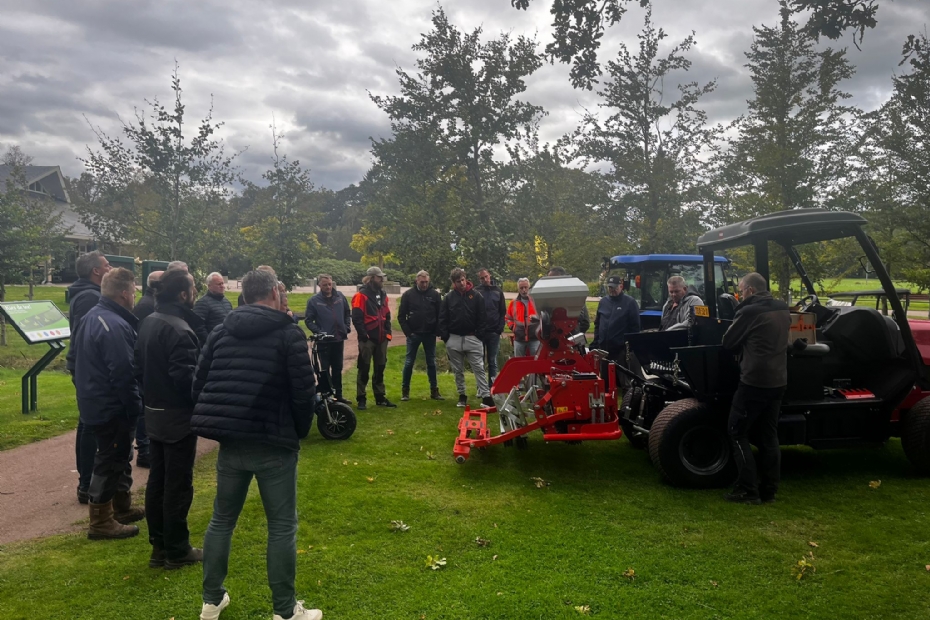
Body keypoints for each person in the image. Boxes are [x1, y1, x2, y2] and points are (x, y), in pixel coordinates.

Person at [192, 269, 321, 620]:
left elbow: (198, 383)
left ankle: (211, 599)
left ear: (245, 295)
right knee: (281, 525)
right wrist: (298, 431)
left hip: (232, 441)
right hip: (272, 442)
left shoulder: (221, 332)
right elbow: (303, 393)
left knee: (222, 519)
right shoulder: (288, 334)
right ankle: (284, 610)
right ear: (274, 294)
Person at [133, 269, 204, 569]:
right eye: (192, 287)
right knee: (177, 484)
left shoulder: (149, 321)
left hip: (155, 413)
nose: (196, 291)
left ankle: (160, 546)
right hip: (176, 417)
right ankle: (176, 548)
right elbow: (186, 381)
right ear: (183, 294)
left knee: (158, 482)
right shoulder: (179, 329)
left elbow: (138, 369)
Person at [72, 267, 146, 540]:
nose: (136, 295)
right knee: (109, 458)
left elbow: (73, 359)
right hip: (110, 404)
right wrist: (134, 406)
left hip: (95, 399)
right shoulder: (113, 324)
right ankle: (101, 521)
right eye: (135, 291)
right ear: (125, 294)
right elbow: (124, 372)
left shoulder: (93, 316)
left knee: (119, 455)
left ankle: (120, 506)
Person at [721, 272, 790, 505]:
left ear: (749, 290)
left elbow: (728, 342)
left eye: (741, 290)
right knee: (769, 437)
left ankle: (747, 490)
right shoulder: (782, 308)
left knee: (737, 432)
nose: (739, 294)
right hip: (778, 380)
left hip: (754, 381)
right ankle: (769, 490)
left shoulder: (749, 311)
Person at [66, 250, 111, 505]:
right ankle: (86, 484)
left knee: (88, 423)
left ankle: (87, 482)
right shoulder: (89, 298)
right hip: (88, 368)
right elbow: (89, 337)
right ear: (96, 271)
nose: (109, 268)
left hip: (84, 366)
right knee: (90, 424)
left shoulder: (87, 294)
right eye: (106, 265)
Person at [438, 268, 494, 409]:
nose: (462, 283)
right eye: (458, 281)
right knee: (458, 370)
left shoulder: (476, 296)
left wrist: (479, 336)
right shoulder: (449, 297)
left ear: (466, 278)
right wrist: (446, 337)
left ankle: (486, 396)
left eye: (463, 279)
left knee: (479, 368)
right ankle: (462, 396)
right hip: (454, 338)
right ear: (453, 283)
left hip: (473, 338)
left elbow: (482, 317)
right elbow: (443, 318)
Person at [352, 267, 396, 410]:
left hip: (382, 337)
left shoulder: (383, 294)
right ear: (371, 278)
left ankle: (380, 397)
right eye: (379, 277)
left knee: (380, 368)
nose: (382, 279)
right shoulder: (361, 295)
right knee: (364, 368)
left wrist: (388, 333)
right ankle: (361, 398)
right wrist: (364, 335)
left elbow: (387, 315)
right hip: (368, 339)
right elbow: (357, 318)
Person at [305, 274, 352, 405]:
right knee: (325, 369)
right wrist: (319, 332)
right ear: (319, 285)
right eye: (325, 285)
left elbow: (347, 312)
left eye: (330, 284)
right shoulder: (314, 301)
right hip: (324, 341)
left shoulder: (340, 297)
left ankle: (339, 395)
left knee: (338, 368)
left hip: (338, 339)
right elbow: (309, 320)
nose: (328, 287)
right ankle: (328, 396)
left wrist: (346, 326)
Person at [398, 270, 443, 401]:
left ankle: (434, 390)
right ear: (416, 281)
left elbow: (440, 314)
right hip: (414, 334)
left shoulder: (434, 295)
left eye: (426, 282)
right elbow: (401, 316)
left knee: (432, 363)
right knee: (409, 362)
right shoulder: (408, 295)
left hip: (429, 334)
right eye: (422, 282)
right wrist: (408, 332)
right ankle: (405, 391)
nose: (424, 284)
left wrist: (436, 331)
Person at [591, 274, 641, 362]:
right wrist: (596, 342)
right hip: (603, 349)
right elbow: (598, 324)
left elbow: (635, 327)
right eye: (610, 288)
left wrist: (630, 347)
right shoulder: (603, 302)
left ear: (621, 286)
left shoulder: (629, 302)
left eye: (614, 288)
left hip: (620, 351)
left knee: (620, 375)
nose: (612, 290)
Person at [476, 268, 507, 385]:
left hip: (494, 331)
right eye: (482, 278)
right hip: (480, 332)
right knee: (479, 361)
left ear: (490, 276)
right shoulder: (477, 292)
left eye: (486, 277)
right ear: (479, 279)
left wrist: (500, 328)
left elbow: (502, 311)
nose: (485, 279)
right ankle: (481, 387)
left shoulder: (498, 291)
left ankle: (492, 386)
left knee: (492, 361)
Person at [547, 266, 590, 334]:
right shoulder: (547, 295)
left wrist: (576, 334)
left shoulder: (574, 294)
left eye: (552, 279)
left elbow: (584, 320)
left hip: (572, 335)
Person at [506, 278, 540, 357]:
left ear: (529, 287)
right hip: (519, 338)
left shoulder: (536, 301)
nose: (524, 290)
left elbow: (543, 316)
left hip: (534, 337)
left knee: (536, 362)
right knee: (519, 362)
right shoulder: (513, 303)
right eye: (521, 288)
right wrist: (513, 327)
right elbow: (508, 318)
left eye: (526, 287)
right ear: (518, 289)